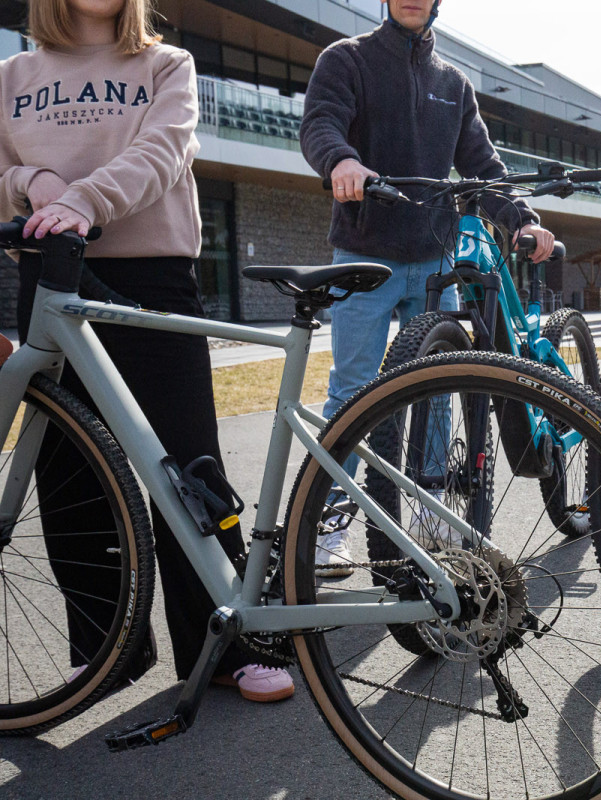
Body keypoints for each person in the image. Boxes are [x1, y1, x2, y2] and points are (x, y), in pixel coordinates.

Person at [0, 0, 293, 702]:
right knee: (69, 470)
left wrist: (85, 201)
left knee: (187, 461)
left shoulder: (168, 64)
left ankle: (230, 644)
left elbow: (165, 151)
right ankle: (104, 652)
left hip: (151, 273)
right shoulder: (12, 74)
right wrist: (37, 187)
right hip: (49, 268)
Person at [300, 0, 555, 574]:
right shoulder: (348, 60)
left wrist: (522, 219)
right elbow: (320, 124)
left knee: (436, 387)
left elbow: (484, 168)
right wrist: (341, 160)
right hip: (365, 255)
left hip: (436, 258)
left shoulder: (453, 84)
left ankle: (431, 507)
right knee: (353, 389)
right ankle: (334, 519)